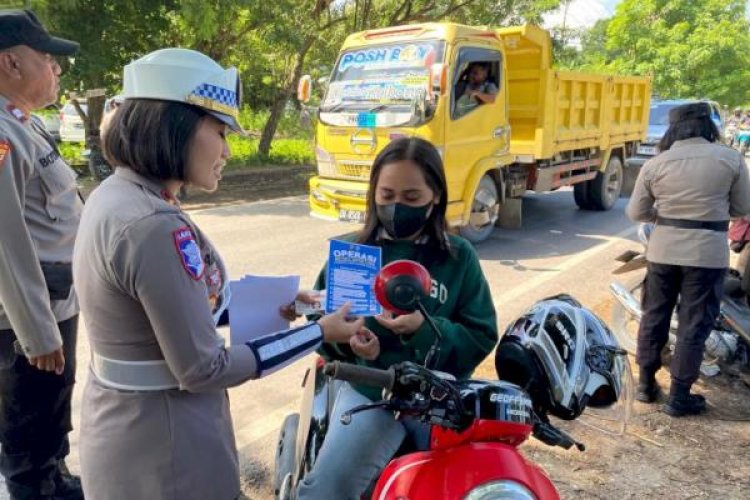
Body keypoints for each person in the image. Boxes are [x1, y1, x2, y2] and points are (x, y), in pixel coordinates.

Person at [72, 48, 363, 500]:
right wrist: (318, 332)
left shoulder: (118, 195)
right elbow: (204, 367)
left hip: (130, 433)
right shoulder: (154, 224)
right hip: (168, 454)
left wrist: (272, 303)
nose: (228, 150)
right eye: (220, 131)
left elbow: (165, 315)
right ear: (177, 126)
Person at [294, 137, 499, 499]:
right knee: (326, 489)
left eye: (411, 198)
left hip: (436, 400)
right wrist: (351, 344)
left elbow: (481, 335)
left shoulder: (457, 257)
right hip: (371, 391)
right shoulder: (353, 252)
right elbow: (321, 329)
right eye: (387, 196)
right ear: (373, 193)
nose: (396, 207)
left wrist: (425, 331)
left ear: (435, 195)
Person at [0, 9, 84, 500]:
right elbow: (5, 241)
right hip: (26, 323)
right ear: (11, 63)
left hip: (56, 302)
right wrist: (36, 333)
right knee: (27, 444)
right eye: (48, 60)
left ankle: (56, 479)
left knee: (50, 420)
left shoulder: (20, 123)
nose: (56, 70)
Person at [627, 102, 750, 417]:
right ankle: (679, 396)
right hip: (707, 254)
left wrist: (667, 216)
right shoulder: (730, 159)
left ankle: (645, 385)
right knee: (694, 324)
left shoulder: (657, 164)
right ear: (708, 127)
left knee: (654, 316)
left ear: (672, 130)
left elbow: (636, 213)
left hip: (663, 250)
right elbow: (741, 208)